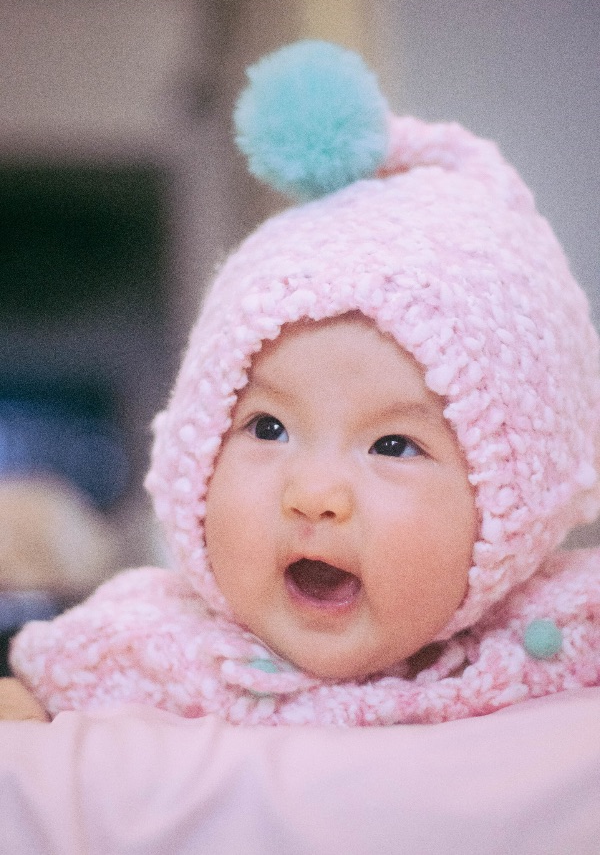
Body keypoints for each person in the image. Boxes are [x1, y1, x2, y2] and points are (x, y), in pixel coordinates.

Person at [6, 40, 600, 726]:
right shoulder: (139, 650)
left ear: (513, 508)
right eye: (268, 428)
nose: (314, 495)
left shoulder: (571, 632)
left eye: (393, 445)